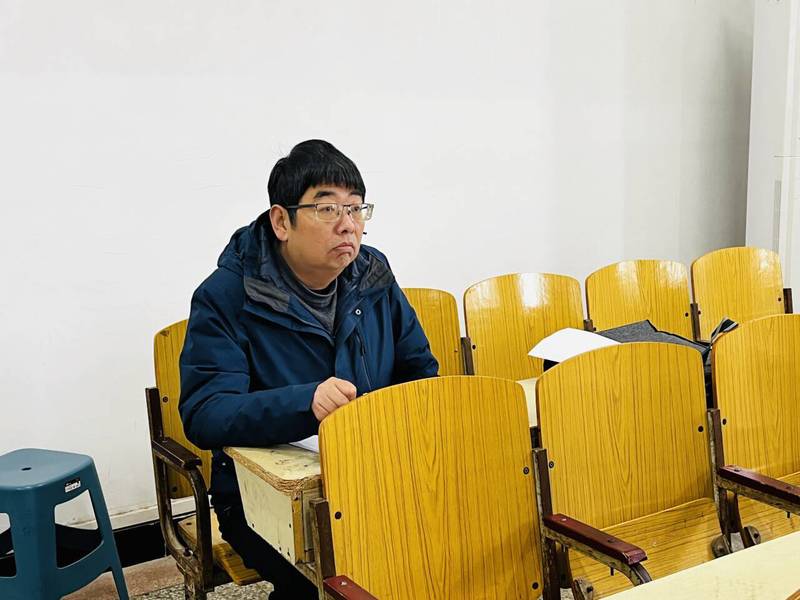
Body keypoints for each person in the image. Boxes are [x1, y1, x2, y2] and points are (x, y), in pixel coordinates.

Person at [179, 139, 439, 599]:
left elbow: (419, 370)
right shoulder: (227, 295)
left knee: (446, 546)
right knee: (343, 576)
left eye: (356, 209)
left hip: (371, 472)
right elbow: (205, 413)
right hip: (263, 496)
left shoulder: (373, 274)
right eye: (327, 208)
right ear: (282, 221)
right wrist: (306, 403)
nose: (348, 225)